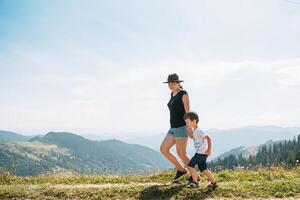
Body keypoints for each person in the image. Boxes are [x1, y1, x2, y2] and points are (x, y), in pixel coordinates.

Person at [160, 73, 191, 182]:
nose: (171, 85)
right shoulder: (172, 94)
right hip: (173, 128)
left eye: (173, 83)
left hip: (182, 127)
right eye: (169, 83)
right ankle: (181, 170)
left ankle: (195, 175)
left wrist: (190, 128)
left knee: (182, 153)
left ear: (178, 83)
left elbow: (188, 112)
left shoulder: (184, 93)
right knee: (164, 149)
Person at [183, 111, 218, 188]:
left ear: (194, 121)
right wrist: (189, 132)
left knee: (190, 165)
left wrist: (209, 150)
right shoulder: (195, 130)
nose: (187, 124)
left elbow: (208, 138)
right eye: (186, 122)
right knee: (204, 169)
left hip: (200, 153)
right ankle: (214, 183)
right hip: (202, 153)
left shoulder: (199, 130)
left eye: (188, 122)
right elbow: (193, 137)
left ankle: (195, 182)